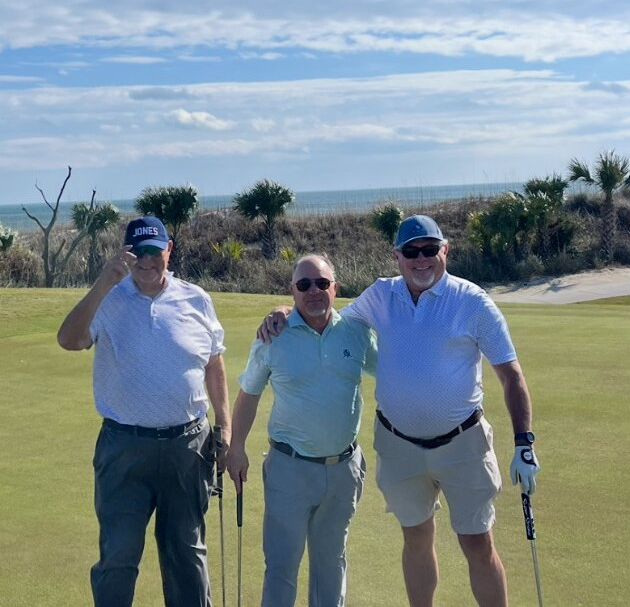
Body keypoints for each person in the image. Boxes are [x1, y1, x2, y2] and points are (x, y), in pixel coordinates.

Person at [258, 215, 540, 607]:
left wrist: (524, 442)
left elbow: (512, 376)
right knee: (417, 538)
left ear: (445, 251)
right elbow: (324, 314)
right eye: (411, 252)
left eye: (429, 250)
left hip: (463, 442)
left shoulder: (473, 302)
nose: (421, 259)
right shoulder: (380, 295)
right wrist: (284, 310)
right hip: (400, 446)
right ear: (398, 256)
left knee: (477, 541)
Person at [57, 215, 231, 607]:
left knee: (186, 554)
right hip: (124, 448)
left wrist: (226, 426)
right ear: (126, 254)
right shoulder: (108, 298)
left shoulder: (196, 298)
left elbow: (214, 365)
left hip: (188, 447)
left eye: (155, 251)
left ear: (169, 250)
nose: (147, 260)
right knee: (118, 556)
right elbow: (69, 339)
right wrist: (103, 283)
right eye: (138, 252)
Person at [226, 254, 377, 607]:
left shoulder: (356, 332)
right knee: (281, 567)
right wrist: (236, 448)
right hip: (288, 469)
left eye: (322, 283)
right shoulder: (272, 336)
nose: (314, 291)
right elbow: (248, 395)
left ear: (335, 289)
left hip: (343, 470)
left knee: (331, 566)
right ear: (292, 290)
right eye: (304, 285)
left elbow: (393, 373)